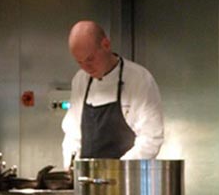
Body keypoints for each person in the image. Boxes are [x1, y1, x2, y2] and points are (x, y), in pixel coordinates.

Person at [60, 21, 164, 165]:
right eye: (80, 62)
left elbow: (151, 138)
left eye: (90, 59)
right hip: (87, 176)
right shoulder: (80, 80)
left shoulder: (139, 79)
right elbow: (73, 133)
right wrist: (71, 166)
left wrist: (116, 171)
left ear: (106, 45)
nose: (86, 67)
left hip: (126, 176)